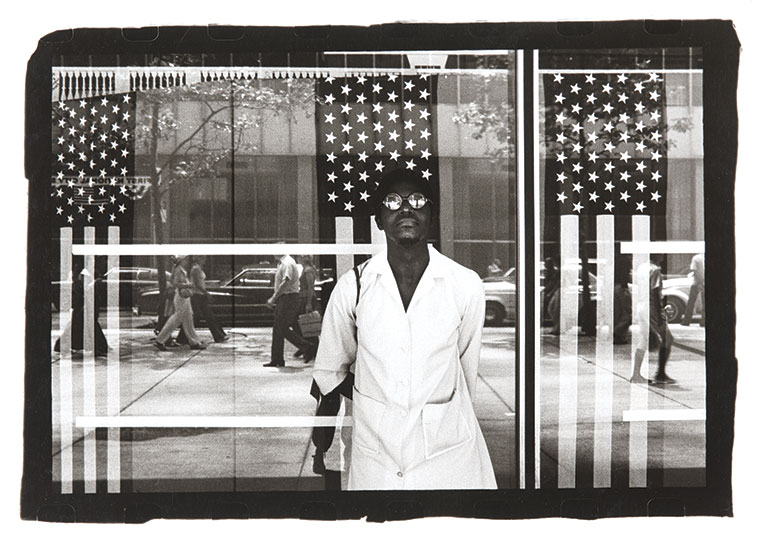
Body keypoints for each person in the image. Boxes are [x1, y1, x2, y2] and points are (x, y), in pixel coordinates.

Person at [312, 168, 497, 490]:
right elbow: (329, 370)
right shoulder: (353, 287)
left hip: (448, 450)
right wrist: (378, 397)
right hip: (376, 450)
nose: (406, 208)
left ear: (431, 215)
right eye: (393, 201)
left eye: (417, 200)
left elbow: (466, 372)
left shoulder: (464, 284)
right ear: (379, 219)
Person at [264, 253, 316, 367]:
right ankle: (277, 359)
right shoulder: (283, 262)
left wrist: (274, 297)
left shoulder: (287, 263)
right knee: (279, 328)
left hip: (288, 298)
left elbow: (286, 281)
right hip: (286, 298)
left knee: (280, 328)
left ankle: (307, 346)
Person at [630, 258, 676, 385]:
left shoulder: (641, 267)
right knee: (668, 338)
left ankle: (636, 374)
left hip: (641, 306)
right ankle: (660, 373)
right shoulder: (655, 270)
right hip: (651, 307)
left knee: (644, 339)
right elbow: (655, 291)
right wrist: (659, 314)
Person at [54, 264, 109, 356]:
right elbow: (78, 299)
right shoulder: (80, 285)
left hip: (84, 312)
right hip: (81, 312)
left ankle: (98, 347)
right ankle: (99, 347)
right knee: (83, 329)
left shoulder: (85, 285)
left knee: (79, 329)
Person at [154, 256, 206, 351]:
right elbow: (175, 283)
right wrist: (189, 285)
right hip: (181, 296)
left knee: (188, 318)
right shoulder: (178, 270)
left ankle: (194, 341)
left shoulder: (179, 269)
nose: (187, 261)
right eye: (185, 259)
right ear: (181, 260)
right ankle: (160, 340)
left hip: (183, 296)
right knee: (178, 318)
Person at [177, 256, 228, 344]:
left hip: (200, 295)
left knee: (205, 316)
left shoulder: (198, 268)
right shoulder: (196, 269)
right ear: (199, 259)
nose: (205, 261)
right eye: (203, 258)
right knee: (200, 317)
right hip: (198, 295)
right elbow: (198, 284)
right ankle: (218, 335)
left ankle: (219, 335)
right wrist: (206, 293)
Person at [294, 255, 319, 358]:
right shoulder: (307, 269)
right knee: (306, 324)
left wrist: (308, 303)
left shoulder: (308, 270)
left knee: (307, 324)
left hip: (306, 299)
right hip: (305, 298)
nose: (297, 259)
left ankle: (310, 348)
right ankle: (308, 347)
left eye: (299, 257)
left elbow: (310, 287)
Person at [681, 252, 705, 327]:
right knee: (704, 303)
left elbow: (695, 271)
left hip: (696, 283)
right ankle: (703, 322)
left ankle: (686, 321)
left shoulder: (696, 258)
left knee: (691, 302)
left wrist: (699, 283)